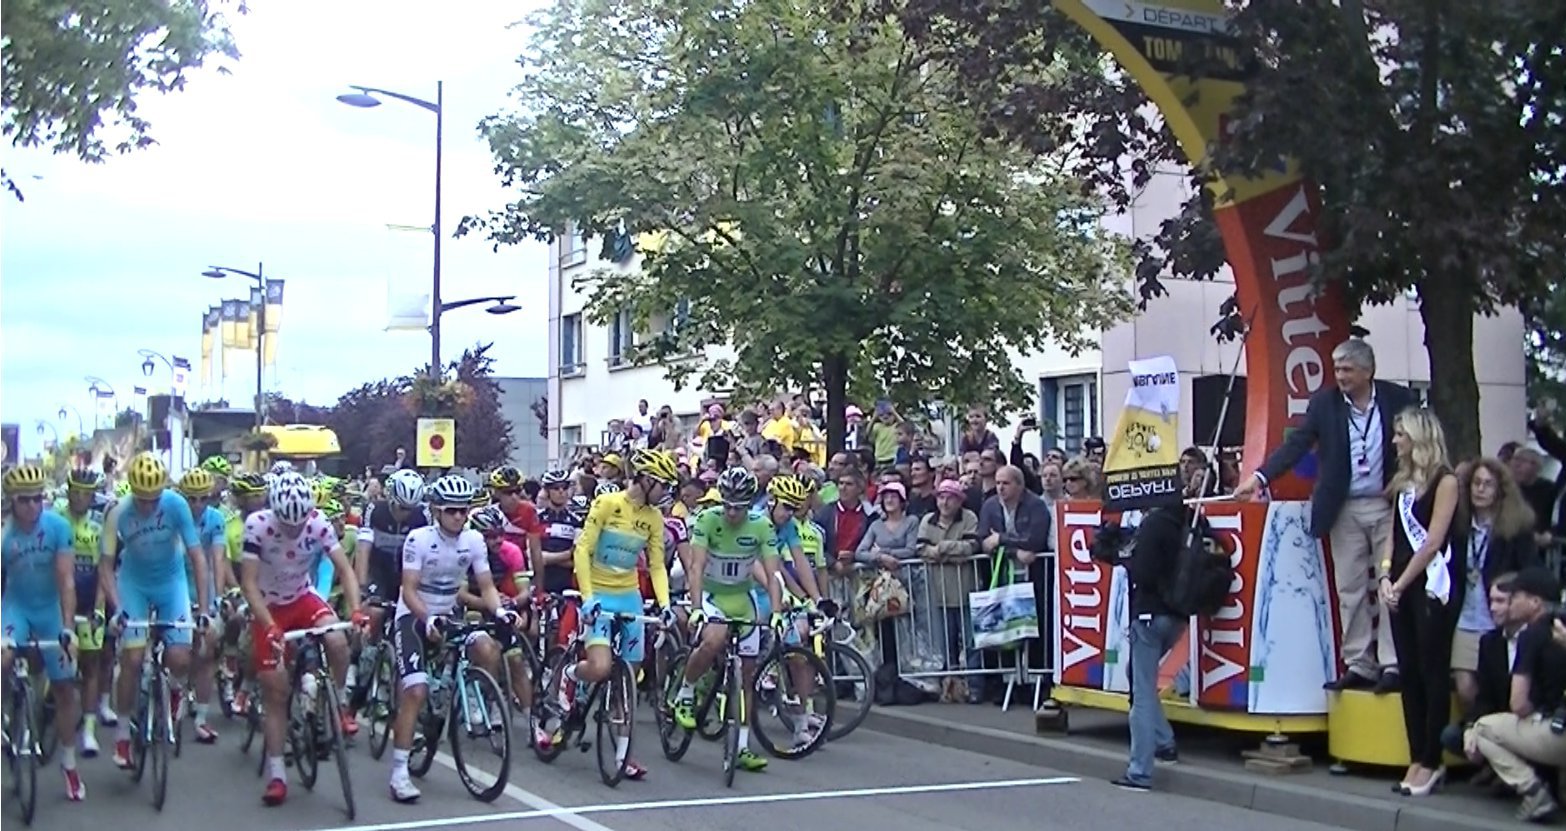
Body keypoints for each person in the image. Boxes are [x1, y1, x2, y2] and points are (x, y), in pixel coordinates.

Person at [1233, 338, 1418, 693]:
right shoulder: (1325, 404)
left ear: (1368, 371)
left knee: (1390, 585)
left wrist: (1407, 481)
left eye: (1347, 369)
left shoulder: (1399, 400)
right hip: (1344, 507)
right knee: (1349, 588)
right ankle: (1360, 663)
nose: (1340, 376)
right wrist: (1259, 477)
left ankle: (1393, 663)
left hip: (1388, 506)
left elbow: (1422, 440)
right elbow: (1296, 444)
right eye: (1337, 369)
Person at [387, 475, 517, 803]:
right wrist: (427, 618)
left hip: (449, 612)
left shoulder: (473, 540)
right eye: (452, 511)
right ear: (435, 510)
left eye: (464, 510)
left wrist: (500, 612)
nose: (459, 516)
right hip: (414, 615)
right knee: (415, 691)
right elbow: (409, 589)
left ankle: (472, 699)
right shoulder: (418, 538)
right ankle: (400, 772)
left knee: (487, 646)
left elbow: (486, 586)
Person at [240, 472, 363, 806]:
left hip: (302, 598)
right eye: (287, 525)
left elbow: (346, 570)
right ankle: (277, 774)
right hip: (268, 607)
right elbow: (248, 584)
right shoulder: (257, 526)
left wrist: (355, 610)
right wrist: (267, 625)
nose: (294, 531)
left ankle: (338, 703)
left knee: (337, 640)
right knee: (276, 691)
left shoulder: (319, 523)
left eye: (300, 524)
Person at [560, 448, 681, 779]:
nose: (667, 492)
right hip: (598, 593)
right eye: (663, 485)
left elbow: (656, 565)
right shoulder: (608, 504)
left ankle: (624, 753)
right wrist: (587, 598)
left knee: (627, 679)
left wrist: (666, 605)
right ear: (645, 480)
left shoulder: (654, 517)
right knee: (599, 667)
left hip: (628, 597)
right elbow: (582, 550)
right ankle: (571, 674)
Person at [101, 453, 209, 770]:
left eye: (154, 499)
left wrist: (202, 610)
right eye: (142, 499)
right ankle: (122, 734)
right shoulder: (118, 512)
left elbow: (198, 558)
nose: (148, 505)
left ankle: (175, 690)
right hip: (133, 583)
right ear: (132, 491)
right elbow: (106, 568)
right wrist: (117, 608)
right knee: (132, 659)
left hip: (171, 582)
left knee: (179, 656)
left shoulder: (176, 505)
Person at [673, 466, 783, 773]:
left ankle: (744, 746)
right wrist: (695, 608)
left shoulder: (761, 525)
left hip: (742, 599)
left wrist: (775, 612)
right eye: (729, 505)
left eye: (740, 507)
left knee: (746, 675)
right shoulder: (708, 519)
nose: (733, 512)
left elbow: (772, 573)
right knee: (714, 638)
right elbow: (695, 567)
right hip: (711, 595)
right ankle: (685, 692)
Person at [1380, 408, 1460, 796]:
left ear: (1418, 437)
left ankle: (1432, 759)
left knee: (1432, 670)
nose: (1395, 441)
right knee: (1408, 671)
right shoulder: (1402, 482)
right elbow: (1393, 535)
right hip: (1400, 583)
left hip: (1431, 584)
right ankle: (1415, 755)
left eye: (1401, 434)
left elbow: (1431, 542)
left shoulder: (1445, 481)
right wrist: (1384, 576)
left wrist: (1402, 582)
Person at [2, 464, 85, 800]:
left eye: (39, 498)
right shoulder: (4, 534)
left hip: (49, 608)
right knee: (4, 656)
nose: (33, 506)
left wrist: (67, 628)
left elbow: (66, 581)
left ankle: (68, 764)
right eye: (25, 500)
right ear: (10, 500)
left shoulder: (57, 527)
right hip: (15, 608)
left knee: (65, 688)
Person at [1467, 567, 1566, 821]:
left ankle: (1533, 790)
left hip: (1554, 732)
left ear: (1535, 602)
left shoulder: (1531, 635)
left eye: (1516, 596)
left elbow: (1518, 703)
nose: (1511, 602)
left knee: (1483, 729)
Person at [1450, 459, 1540, 721]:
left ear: (1500, 490)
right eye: (1476, 483)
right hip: (1466, 618)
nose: (1480, 489)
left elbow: (1530, 570)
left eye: (1487, 484)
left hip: (1499, 618)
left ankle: (1497, 742)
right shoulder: (1460, 526)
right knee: (1465, 688)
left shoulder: (1515, 529)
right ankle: (1481, 738)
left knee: (1502, 686)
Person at [177, 468, 233, 744]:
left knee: (207, 651)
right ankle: (170, 692)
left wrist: (217, 598)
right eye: (191, 498)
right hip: (176, 583)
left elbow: (218, 559)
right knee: (179, 651)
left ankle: (200, 717)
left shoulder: (216, 519)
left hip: (204, 586)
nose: (197, 504)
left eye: (203, 498)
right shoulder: (175, 517)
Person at [62, 467, 113, 757]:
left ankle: (90, 731)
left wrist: (98, 607)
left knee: (91, 664)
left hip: (91, 597)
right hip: (62, 598)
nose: (80, 497)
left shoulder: (99, 523)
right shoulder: (56, 518)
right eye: (75, 491)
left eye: (86, 493)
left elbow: (104, 571)